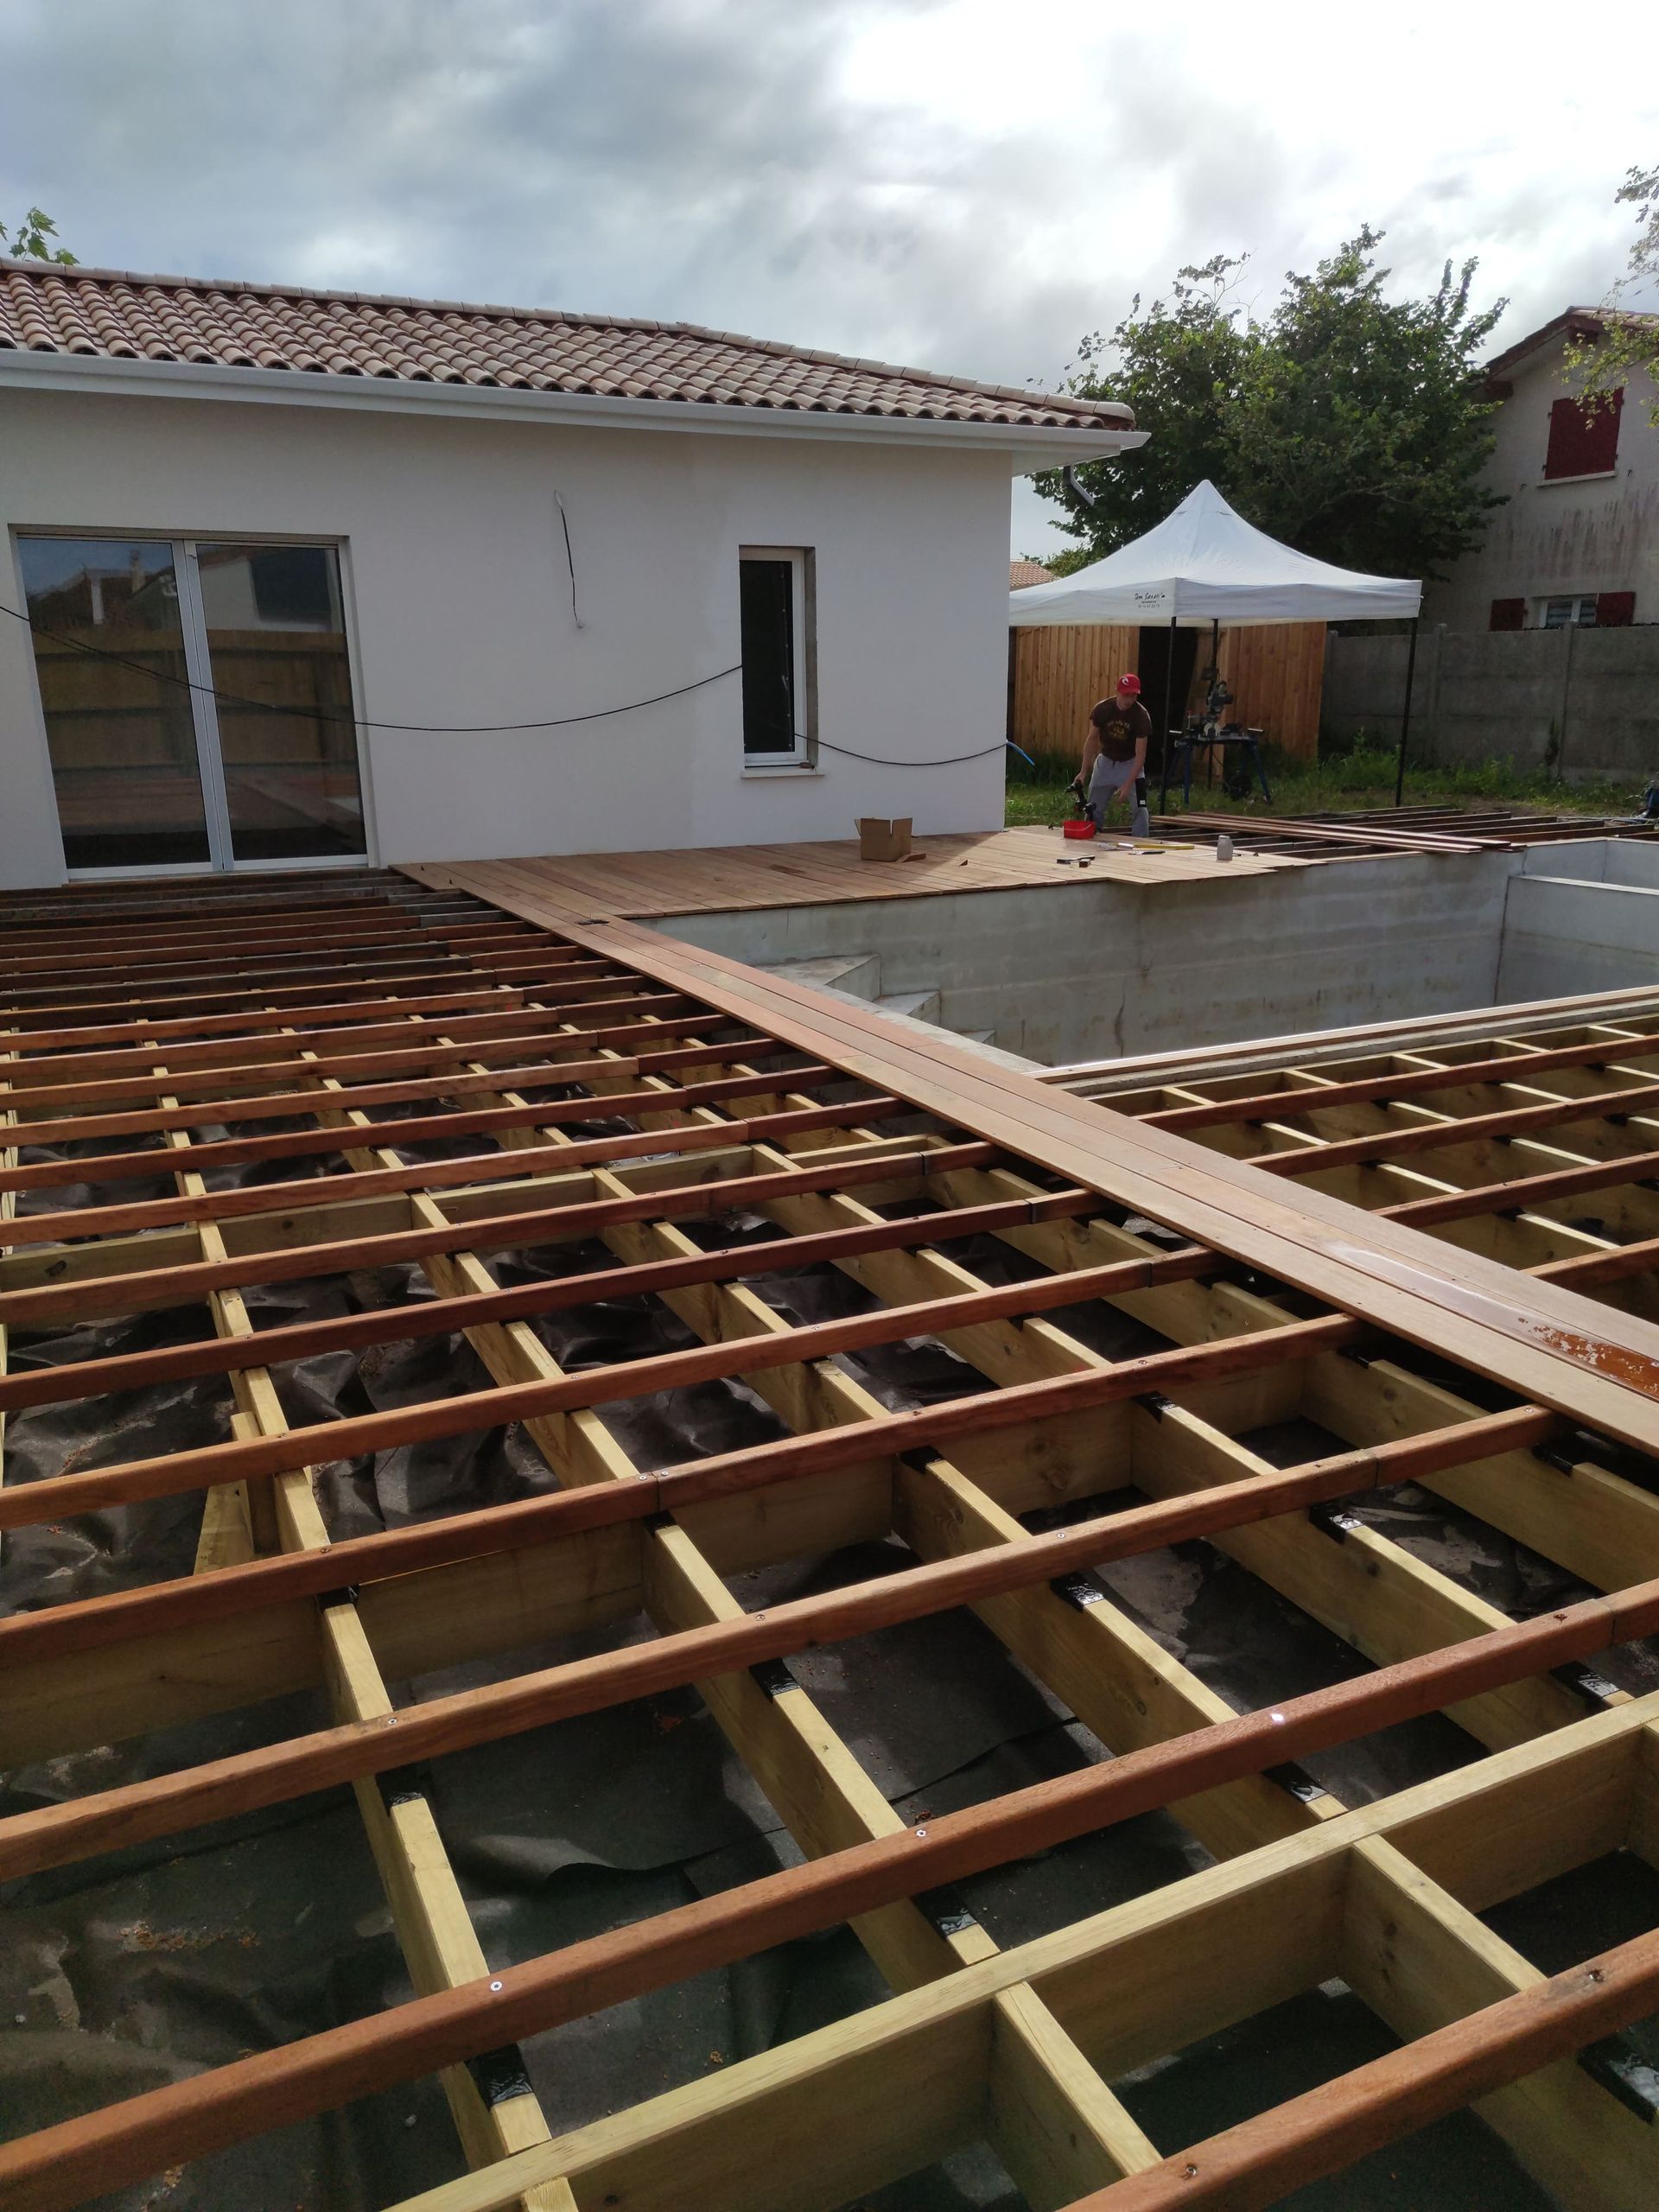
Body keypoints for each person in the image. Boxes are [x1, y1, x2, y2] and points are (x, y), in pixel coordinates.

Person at [1074, 672, 1152, 836]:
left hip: (1132, 764)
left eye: (1133, 695)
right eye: (1126, 695)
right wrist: (1083, 771)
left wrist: (1127, 784)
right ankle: (1092, 836)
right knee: (1093, 807)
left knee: (1141, 806)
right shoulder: (1102, 709)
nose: (1129, 700)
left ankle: (1142, 842)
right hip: (1106, 762)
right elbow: (1091, 739)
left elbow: (1141, 755)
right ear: (1118, 692)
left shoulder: (1142, 716)